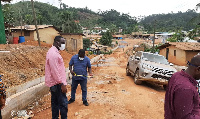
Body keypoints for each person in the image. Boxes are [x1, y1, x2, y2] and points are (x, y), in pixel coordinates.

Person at [45, 36, 68, 119]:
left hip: (55, 83)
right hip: (57, 84)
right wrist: (62, 84)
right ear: (57, 42)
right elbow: (55, 71)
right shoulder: (53, 54)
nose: (64, 44)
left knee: (55, 104)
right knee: (63, 104)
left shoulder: (53, 52)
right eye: (63, 42)